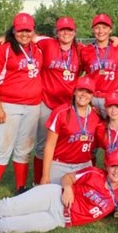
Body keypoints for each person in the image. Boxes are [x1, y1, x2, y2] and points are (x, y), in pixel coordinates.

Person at [0, 13, 42, 202]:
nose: (24, 34)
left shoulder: (38, 50)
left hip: (32, 105)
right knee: (2, 146)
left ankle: (20, 187)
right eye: (20, 30)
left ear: (33, 31)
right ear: (13, 31)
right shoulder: (3, 50)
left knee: (24, 147)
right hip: (9, 105)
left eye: (27, 30)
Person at [32, 17, 83, 185]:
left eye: (69, 30)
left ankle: (68, 177)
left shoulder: (80, 50)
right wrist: (6, 36)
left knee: (67, 142)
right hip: (46, 101)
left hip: (68, 105)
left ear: (75, 32)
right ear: (57, 32)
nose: (66, 33)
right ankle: (39, 181)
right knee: (41, 144)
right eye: (62, 30)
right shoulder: (47, 44)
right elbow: (26, 37)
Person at [41, 76, 102, 184]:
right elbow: (50, 145)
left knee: (82, 198)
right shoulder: (61, 112)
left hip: (83, 165)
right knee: (56, 197)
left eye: (88, 92)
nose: (84, 94)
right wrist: (45, 175)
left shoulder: (96, 116)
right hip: (60, 164)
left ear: (92, 95)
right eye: (81, 90)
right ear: (74, 91)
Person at [79, 13, 118, 117]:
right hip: (92, 97)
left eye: (104, 27)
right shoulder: (86, 50)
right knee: (92, 129)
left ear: (110, 30)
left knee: (112, 128)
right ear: (93, 29)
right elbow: (82, 72)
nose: (101, 31)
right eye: (97, 28)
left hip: (111, 95)